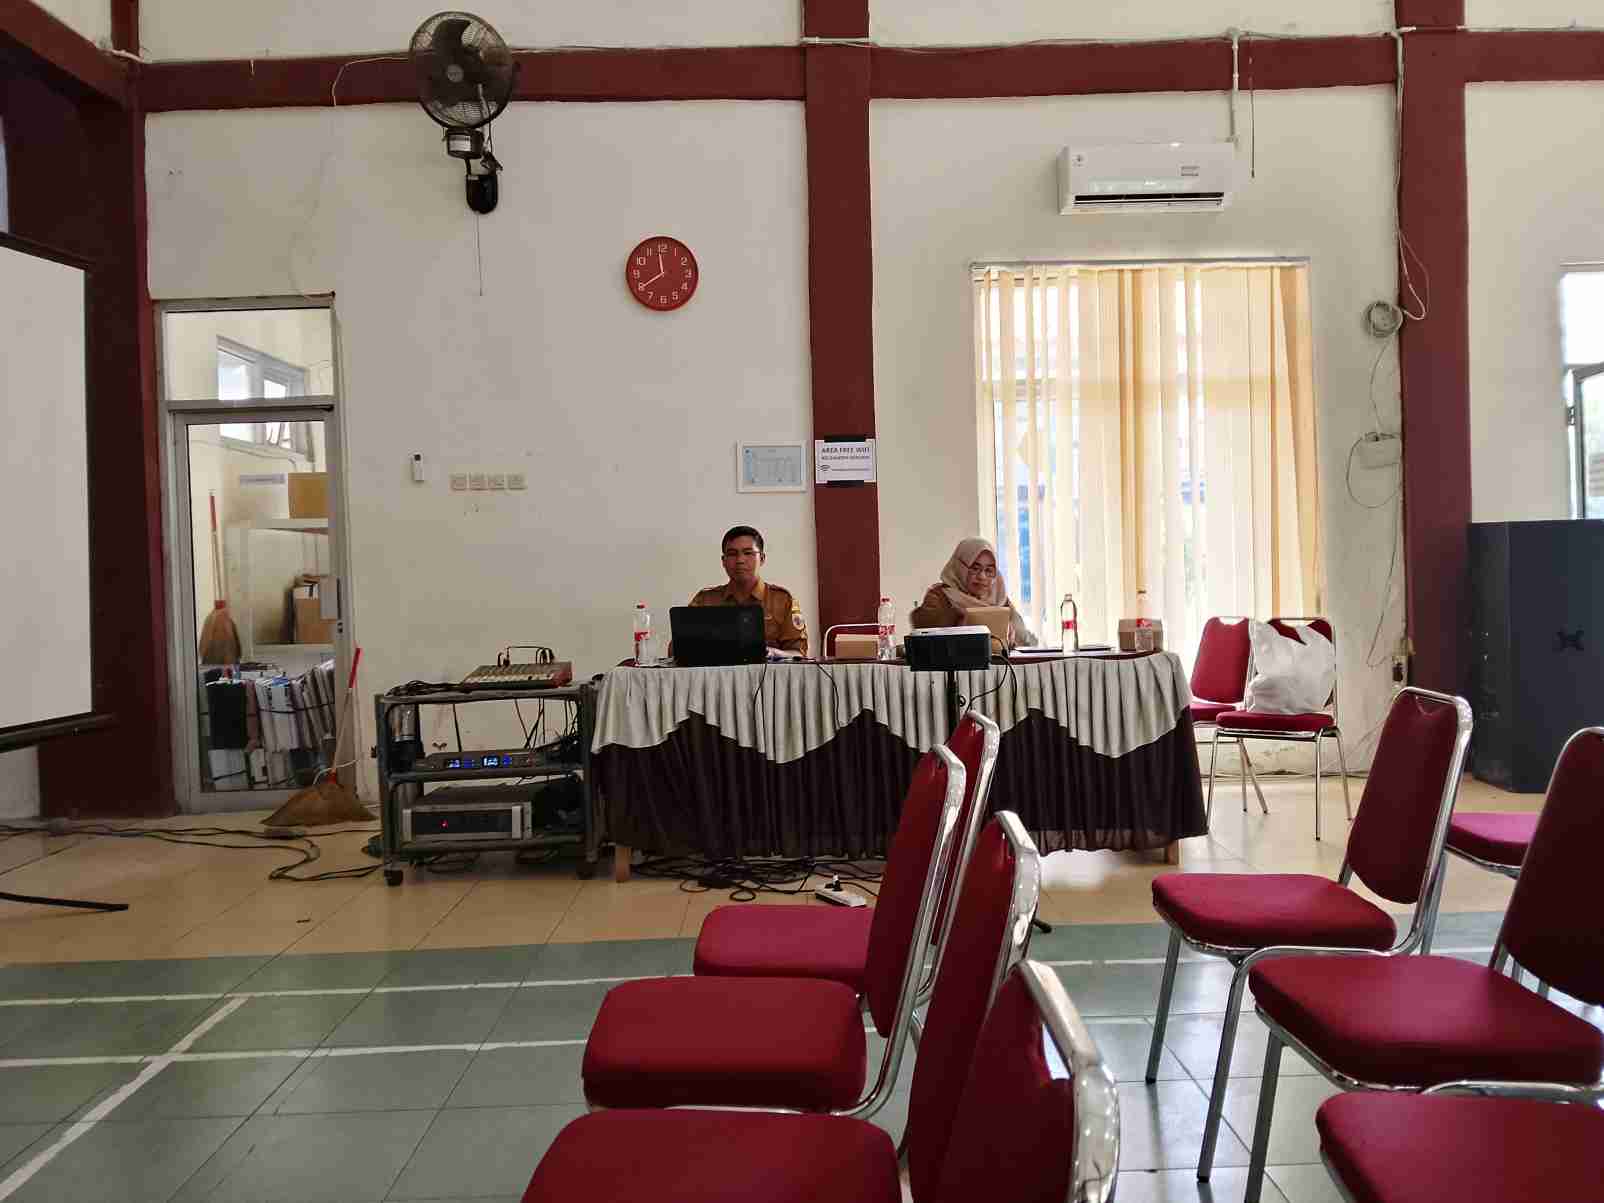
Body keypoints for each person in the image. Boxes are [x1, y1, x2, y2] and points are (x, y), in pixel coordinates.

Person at [688, 525, 809, 656]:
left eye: (748, 553)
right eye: (732, 554)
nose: (740, 560)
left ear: (762, 558)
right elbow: (679, 649)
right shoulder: (705, 600)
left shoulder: (782, 600)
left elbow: (799, 653)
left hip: (768, 669)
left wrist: (775, 654)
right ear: (723, 561)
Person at [910, 537, 1039, 647]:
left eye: (989, 570)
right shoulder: (939, 597)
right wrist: (959, 627)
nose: (982, 576)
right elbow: (925, 642)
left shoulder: (999, 598)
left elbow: (1026, 641)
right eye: (975, 568)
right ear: (960, 567)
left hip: (997, 667)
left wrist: (1011, 636)